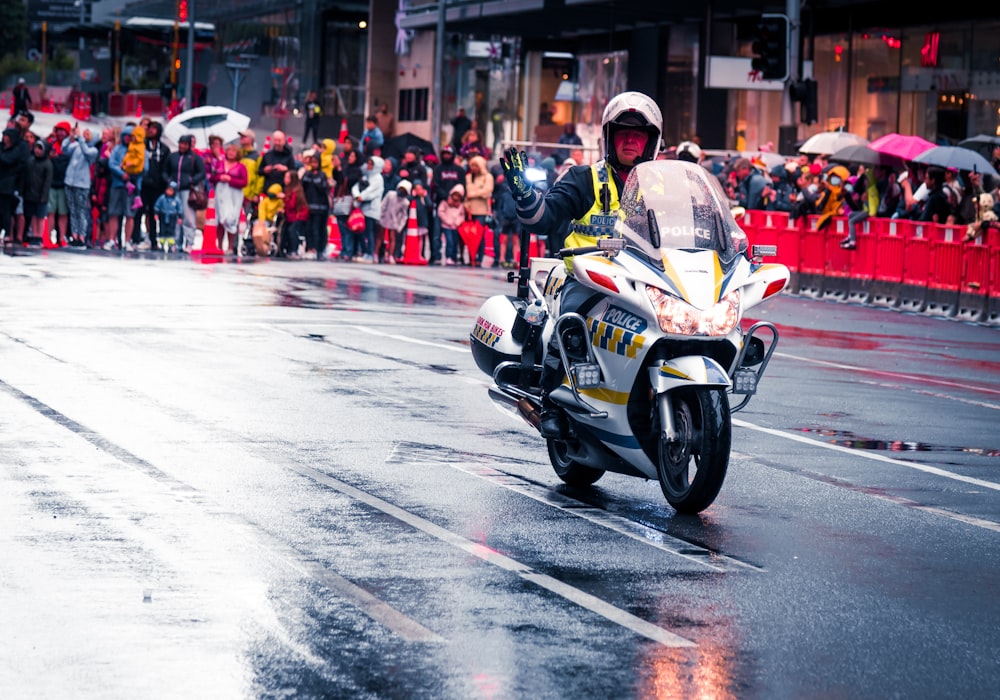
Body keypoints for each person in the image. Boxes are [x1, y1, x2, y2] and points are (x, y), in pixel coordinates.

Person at [500, 90, 662, 438]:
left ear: (652, 142)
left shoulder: (661, 188)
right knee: (571, 322)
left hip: (648, 279)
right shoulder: (583, 178)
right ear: (609, 138)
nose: (631, 140)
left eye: (639, 134)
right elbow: (543, 218)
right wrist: (525, 196)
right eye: (623, 133)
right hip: (589, 278)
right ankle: (552, 402)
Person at [107, 125, 148, 250]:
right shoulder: (117, 149)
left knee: (130, 215)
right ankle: (111, 240)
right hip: (117, 184)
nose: (129, 138)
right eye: (126, 136)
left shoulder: (140, 150)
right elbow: (111, 163)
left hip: (132, 186)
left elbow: (145, 168)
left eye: (131, 136)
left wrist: (131, 173)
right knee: (113, 213)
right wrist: (121, 173)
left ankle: (128, 241)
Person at [164, 134, 206, 252]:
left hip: (187, 190)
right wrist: (168, 180)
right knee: (175, 216)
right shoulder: (172, 157)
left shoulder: (195, 158)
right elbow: (165, 170)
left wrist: (191, 180)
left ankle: (189, 242)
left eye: (185, 144)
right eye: (181, 143)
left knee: (188, 217)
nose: (182, 146)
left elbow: (201, 173)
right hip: (173, 190)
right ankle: (176, 242)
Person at [62, 124, 98, 247]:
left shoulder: (93, 150)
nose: (84, 134)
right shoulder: (77, 146)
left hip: (82, 184)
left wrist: (80, 138)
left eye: (88, 133)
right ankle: (74, 235)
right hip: (70, 182)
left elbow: (87, 152)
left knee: (81, 211)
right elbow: (65, 149)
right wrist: (70, 137)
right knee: (73, 211)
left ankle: (82, 237)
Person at [213, 141, 249, 254]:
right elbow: (212, 177)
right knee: (220, 218)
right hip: (221, 193)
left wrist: (231, 180)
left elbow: (244, 182)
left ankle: (230, 246)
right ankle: (219, 245)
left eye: (233, 151)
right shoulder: (220, 163)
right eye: (229, 151)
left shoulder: (241, 166)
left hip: (234, 194)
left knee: (232, 218)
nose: (231, 153)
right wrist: (220, 177)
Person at [141, 121, 171, 250]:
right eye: (150, 128)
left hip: (157, 186)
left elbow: (165, 167)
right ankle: (137, 238)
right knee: (139, 212)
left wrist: (165, 181)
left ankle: (153, 240)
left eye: (154, 128)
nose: (151, 131)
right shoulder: (142, 146)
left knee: (154, 213)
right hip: (142, 184)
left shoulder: (164, 149)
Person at [351, 155, 385, 263]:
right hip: (362, 207)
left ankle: (370, 253)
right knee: (360, 230)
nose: (369, 166)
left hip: (371, 209)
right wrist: (357, 196)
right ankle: (364, 252)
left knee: (369, 231)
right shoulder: (366, 176)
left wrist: (362, 197)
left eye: (372, 164)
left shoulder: (378, 178)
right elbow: (356, 186)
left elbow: (372, 191)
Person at [1, 127, 29, 250]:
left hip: (10, 185)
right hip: (2, 181)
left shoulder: (17, 150)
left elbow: (9, 161)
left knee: (8, 211)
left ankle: (9, 234)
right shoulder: (2, 148)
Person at [300, 149, 331, 259]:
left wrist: (316, 180)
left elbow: (324, 189)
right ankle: (310, 248)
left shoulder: (322, 176)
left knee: (317, 229)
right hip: (309, 206)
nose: (313, 165)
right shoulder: (307, 174)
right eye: (312, 162)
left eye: (315, 162)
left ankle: (318, 249)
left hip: (320, 207)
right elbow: (302, 187)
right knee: (308, 229)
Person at [464, 154, 494, 266]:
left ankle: (479, 258)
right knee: (469, 236)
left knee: (480, 236)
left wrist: (473, 194)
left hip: (481, 210)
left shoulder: (487, 177)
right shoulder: (468, 177)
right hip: (469, 210)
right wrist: (466, 204)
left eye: (476, 166)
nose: (473, 168)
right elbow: (466, 193)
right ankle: (470, 257)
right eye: (472, 166)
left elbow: (487, 191)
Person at [46, 121, 72, 247]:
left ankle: (62, 238)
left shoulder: (71, 146)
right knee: (50, 212)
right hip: (51, 183)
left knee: (63, 213)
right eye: (58, 130)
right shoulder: (51, 145)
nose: (60, 133)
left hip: (64, 184)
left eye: (63, 130)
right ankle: (49, 237)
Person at [23, 139, 53, 247]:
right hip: (30, 193)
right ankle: (34, 235)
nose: (37, 151)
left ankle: (39, 236)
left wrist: (44, 196)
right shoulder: (30, 161)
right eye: (36, 148)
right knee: (33, 216)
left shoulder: (47, 164)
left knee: (40, 216)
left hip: (41, 195)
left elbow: (47, 182)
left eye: (40, 148)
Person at [491, 173, 520, 268]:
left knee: (515, 240)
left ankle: (515, 260)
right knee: (504, 239)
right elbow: (500, 207)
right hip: (506, 218)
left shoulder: (517, 194)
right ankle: (502, 259)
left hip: (515, 219)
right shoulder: (504, 194)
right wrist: (501, 218)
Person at [380, 179, 411, 264]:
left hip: (394, 221)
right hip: (385, 217)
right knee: (380, 236)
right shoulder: (390, 195)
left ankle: (391, 255)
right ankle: (377, 253)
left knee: (392, 238)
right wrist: (380, 216)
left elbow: (404, 215)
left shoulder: (405, 202)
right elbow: (383, 205)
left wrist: (400, 226)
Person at [280, 170, 309, 257]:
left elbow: (292, 205)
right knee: (286, 230)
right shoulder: (288, 189)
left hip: (298, 216)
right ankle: (287, 248)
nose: (285, 179)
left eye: (287, 177)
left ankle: (294, 249)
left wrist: (284, 198)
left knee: (292, 230)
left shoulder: (296, 191)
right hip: (291, 216)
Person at [436, 183, 466, 265]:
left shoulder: (460, 205)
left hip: (456, 226)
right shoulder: (445, 203)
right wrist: (447, 221)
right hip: (447, 225)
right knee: (449, 241)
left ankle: (453, 257)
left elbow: (462, 215)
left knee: (455, 242)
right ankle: (448, 256)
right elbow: (440, 212)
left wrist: (458, 222)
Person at [154, 181, 184, 251]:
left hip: (172, 217)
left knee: (171, 231)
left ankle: (170, 245)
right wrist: (156, 213)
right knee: (162, 231)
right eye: (168, 189)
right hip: (163, 215)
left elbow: (180, 209)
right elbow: (157, 206)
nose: (169, 192)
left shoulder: (176, 200)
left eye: (171, 190)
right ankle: (162, 244)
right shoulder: (162, 198)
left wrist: (180, 217)